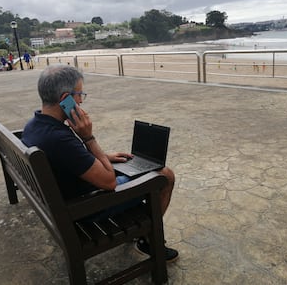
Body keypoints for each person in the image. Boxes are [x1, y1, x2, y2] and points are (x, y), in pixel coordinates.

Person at [21, 65, 178, 262]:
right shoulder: (59, 139)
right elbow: (109, 182)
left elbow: (70, 158)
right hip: (85, 208)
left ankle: (145, 231)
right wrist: (88, 138)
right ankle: (147, 239)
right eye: (79, 95)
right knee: (164, 175)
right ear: (65, 99)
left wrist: (104, 156)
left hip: (65, 198)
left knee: (130, 165)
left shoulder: (34, 125)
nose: (80, 101)